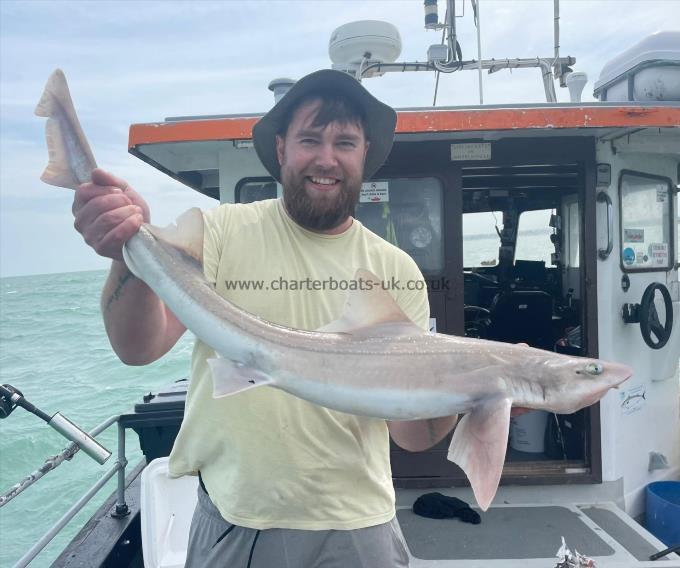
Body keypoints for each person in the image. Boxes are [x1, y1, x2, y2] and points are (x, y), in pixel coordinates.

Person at [72, 69, 458, 567]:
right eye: (310, 139)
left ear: (365, 155)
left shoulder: (396, 270)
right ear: (281, 149)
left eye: (345, 142)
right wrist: (125, 253)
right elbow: (138, 348)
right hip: (238, 519)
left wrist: (471, 393)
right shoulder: (220, 231)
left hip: (360, 524)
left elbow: (412, 435)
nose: (326, 158)